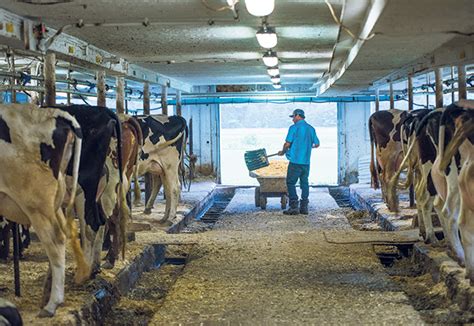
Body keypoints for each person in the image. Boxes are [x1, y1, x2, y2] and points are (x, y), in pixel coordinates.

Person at [278, 109, 320, 215]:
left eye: (293, 117)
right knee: (304, 183)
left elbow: (287, 144)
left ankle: (293, 207)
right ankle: (304, 207)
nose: (292, 120)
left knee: (290, 183)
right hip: (306, 162)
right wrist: (306, 147)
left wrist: (283, 152)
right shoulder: (311, 129)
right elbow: (316, 144)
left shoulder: (294, 128)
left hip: (295, 161)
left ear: (298, 116)